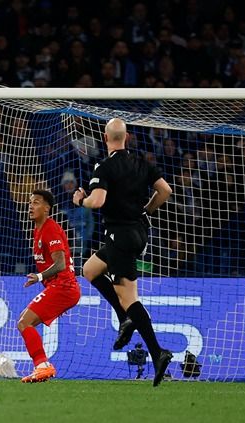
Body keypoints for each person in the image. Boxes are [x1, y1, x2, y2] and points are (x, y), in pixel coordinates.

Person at [72, 118, 173, 387]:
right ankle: (124, 319)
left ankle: (157, 352)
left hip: (120, 236)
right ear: (126, 137)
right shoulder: (141, 161)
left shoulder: (104, 166)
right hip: (138, 233)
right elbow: (165, 190)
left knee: (129, 297)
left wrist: (80, 199)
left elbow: (98, 201)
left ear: (106, 139)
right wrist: (148, 209)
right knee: (90, 269)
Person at [18, 190, 81, 383]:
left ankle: (42, 366)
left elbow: (60, 264)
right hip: (58, 287)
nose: (31, 206)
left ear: (47, 208)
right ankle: (42, 366)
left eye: (36, 203)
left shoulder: (50, 229)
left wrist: (38, 277)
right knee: (25, 323)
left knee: (23, 322)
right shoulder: (37, 230)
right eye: (30, 203)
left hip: (64, 286)